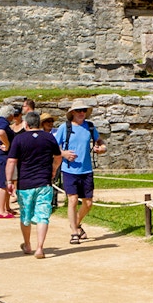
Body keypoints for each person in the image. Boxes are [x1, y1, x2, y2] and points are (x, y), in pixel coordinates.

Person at [7, 111, 62, 259]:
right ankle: (40, 247)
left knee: (26, 215)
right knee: (43, 216)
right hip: (44, 182)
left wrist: (9, 181)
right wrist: (54, 169)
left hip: (25, 183)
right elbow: (58, 157)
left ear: (26, 124)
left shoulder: (19, 139)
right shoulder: (49, 137)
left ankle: (27, 244)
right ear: (39, 123)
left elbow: (12, 161)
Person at [54, 100, 106, 245]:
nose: (81, 113)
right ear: (72, 113)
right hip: (69, 169)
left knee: (88, 203)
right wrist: (63, 154)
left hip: (87, 169)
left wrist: (102, 148)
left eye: (83, 110)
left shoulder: (89, 127)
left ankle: (75, 224)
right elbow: (52, 145)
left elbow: (100, 142)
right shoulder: (65, 127)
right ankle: (74, 233)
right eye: (78, 110)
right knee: (73, 200)